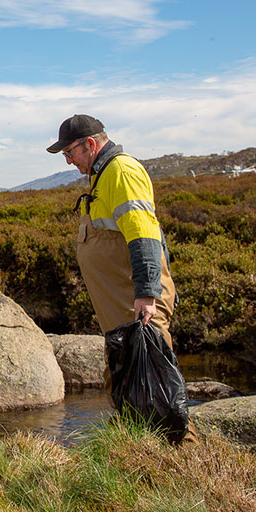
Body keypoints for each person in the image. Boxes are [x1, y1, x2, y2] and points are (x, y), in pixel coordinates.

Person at [47, 114, 195, 442]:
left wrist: (146, 293)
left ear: (90, 144)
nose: (69, 161)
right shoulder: (102, 176)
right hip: (122, 313)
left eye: (69, 153)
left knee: (158, 389)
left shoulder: (121, 172)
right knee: (126, 384)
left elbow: (143, 235)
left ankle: (185, 460)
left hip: (137, 307)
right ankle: (139, 458)